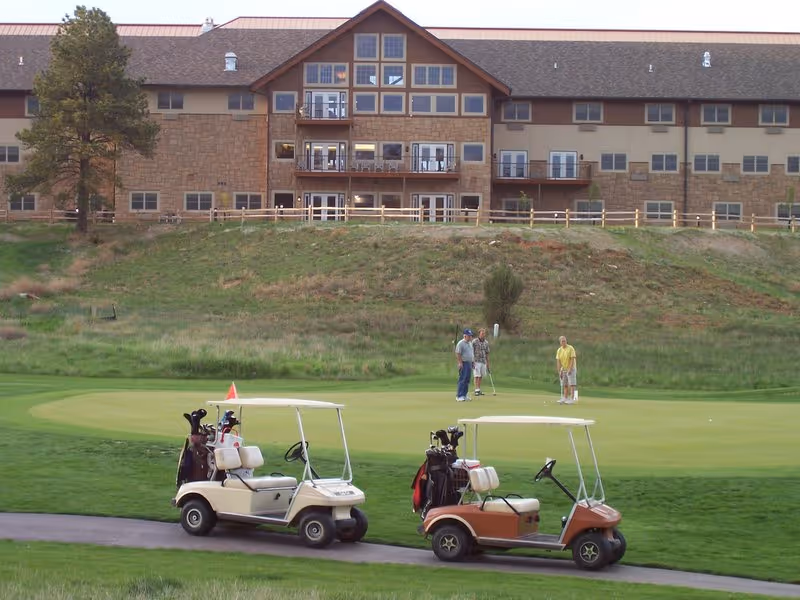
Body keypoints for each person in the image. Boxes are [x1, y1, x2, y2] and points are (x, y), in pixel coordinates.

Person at [556, 335, 577, 404]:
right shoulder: (559, 350)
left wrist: (570, 369)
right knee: (564, 384)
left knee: (571, 384)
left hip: (572, 368)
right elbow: (558, 361)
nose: (564, 342)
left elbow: (572, 359)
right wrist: (560, 371)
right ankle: (565, 398)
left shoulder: (570, 348)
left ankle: (572, 398)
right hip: (564, 368)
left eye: (565, 341)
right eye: (562, 341)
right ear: (560, 342)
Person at [455, 329, 475, 402]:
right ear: (465, 336)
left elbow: (471, 353)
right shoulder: (461, 343)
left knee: (467, 380)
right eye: (469, 336)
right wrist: (460, 363)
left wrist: (473, 362)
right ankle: (459, 395)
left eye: (471, 336)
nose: (470, 337)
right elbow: (458, 353)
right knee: (462, 379)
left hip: (469, 362)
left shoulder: (470, 343)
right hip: (464, 363)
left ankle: (464, 395)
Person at [472, 328, 490, 396]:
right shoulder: (474, 341)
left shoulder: (486, 342)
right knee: (476, 375)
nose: (483, 335)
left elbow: (487, 353)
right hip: (476, 361)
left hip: (483, 361)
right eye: (482, 333)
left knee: (481, 376)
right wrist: (472, 361)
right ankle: (476, 390)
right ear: (479, 334)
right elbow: (471, 351)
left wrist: (488, 363)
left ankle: (478, 389)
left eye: (484, 333)